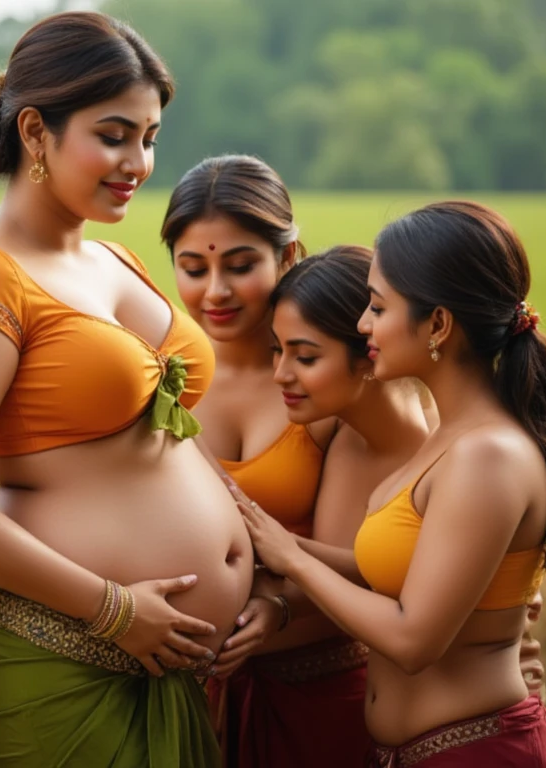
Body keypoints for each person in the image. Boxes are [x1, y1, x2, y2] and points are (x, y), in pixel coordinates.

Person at [0, 12, 253, 767]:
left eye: (151, 138)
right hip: (49, 667)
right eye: (115, 135)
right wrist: (114, 610)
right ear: (35, 132)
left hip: (168, 668)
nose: (139, 162)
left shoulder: (117, 261)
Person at [244, 201, 546, 766]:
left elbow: (414, 640)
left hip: (480, 754)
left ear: (438, 324)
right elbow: (395, 575)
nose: (364, 324)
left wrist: (293, 565)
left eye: (377, 306)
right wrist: (269, 540)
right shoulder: (453, 436)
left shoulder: (487, 455)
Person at [164, 157, 369, 767]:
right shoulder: (159, 375)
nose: (215, 292)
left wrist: (277, 611)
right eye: (193, 268)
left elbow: (370, 566)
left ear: (287, 256)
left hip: (323, 693)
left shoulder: (329, 386)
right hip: (190, 696)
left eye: (241, 265)